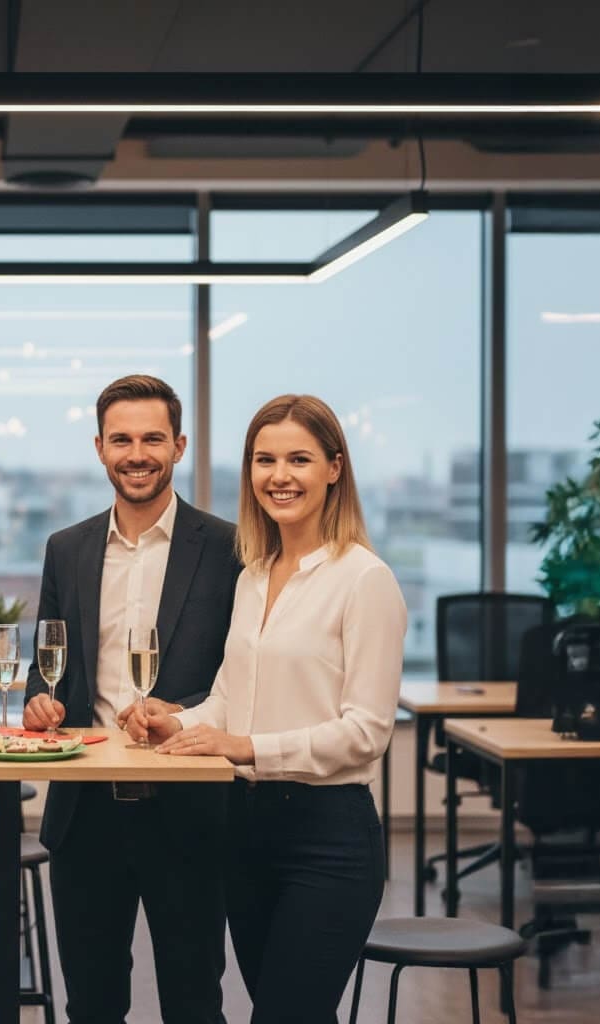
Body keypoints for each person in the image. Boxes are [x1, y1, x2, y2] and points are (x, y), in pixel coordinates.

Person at [128, 393, 406, 1023]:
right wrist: (177, 723)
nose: (279, 477)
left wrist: (247, 747)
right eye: (264, 460)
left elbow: (367, 732)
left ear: (335, 468)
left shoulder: (365, 580)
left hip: (330, 840)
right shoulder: (254, 574)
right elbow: (230, 699)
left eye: (299, 459)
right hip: (246, 832)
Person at [19, 375, 240, 1023]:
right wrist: (40, 703)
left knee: (195, 1002)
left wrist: (179, 715)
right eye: (121, 439)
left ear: (180, 445)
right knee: (91, 1004)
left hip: (190, 811)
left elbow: (239, 674)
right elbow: (46, 669)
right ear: (99, 447)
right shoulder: (67, 549)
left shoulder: (229, 547)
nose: (136, 453)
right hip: (86, 815)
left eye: (151, 439)